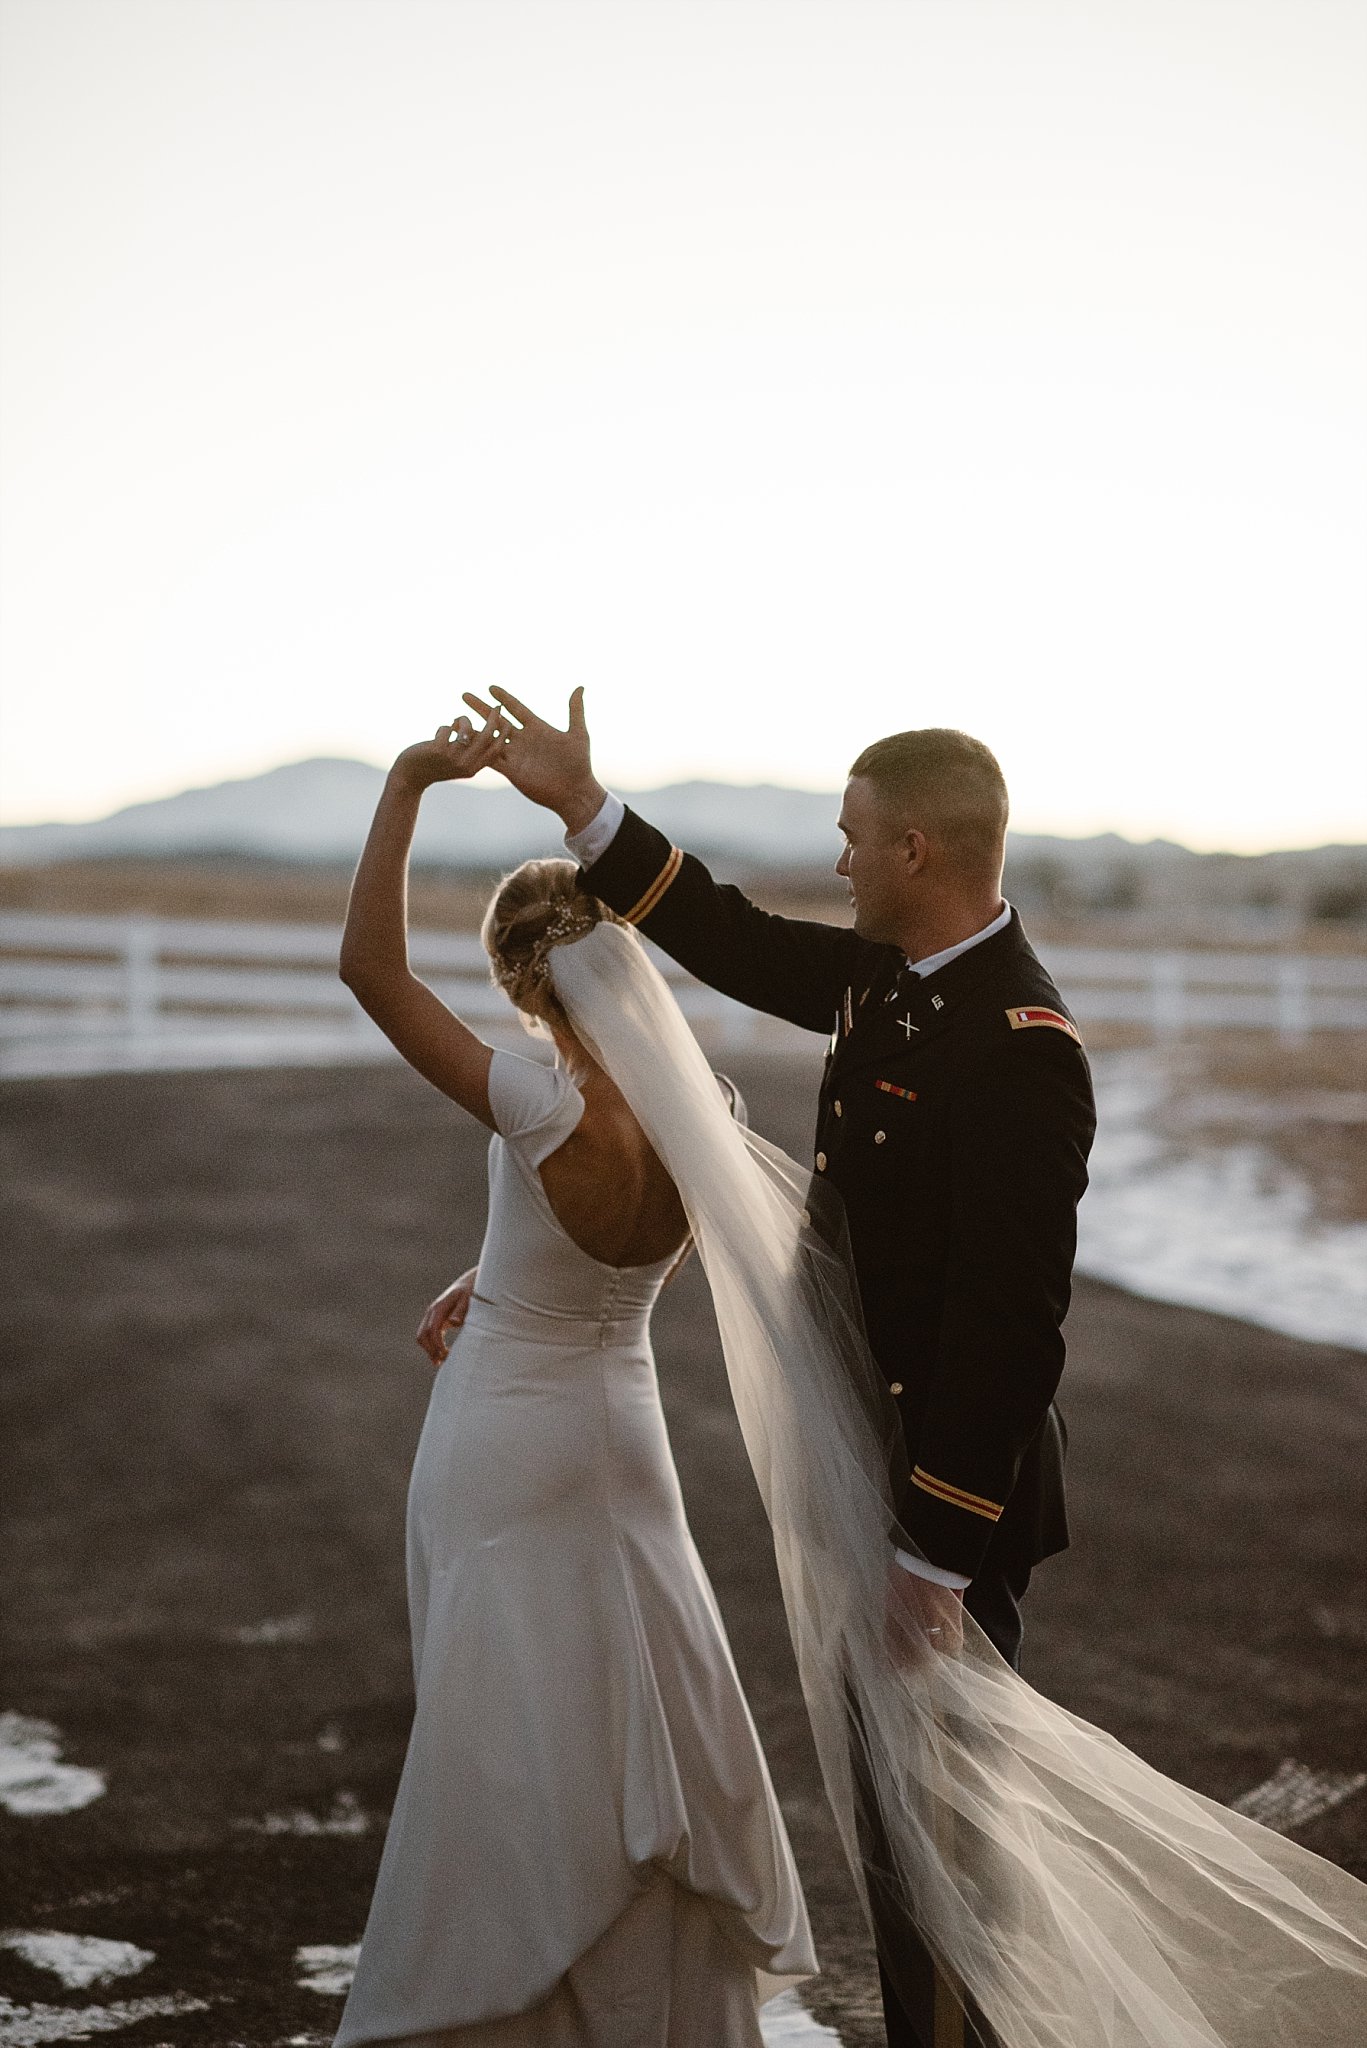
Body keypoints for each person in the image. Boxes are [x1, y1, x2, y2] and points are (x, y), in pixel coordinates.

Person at [453, 687, 1095, 2048]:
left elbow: (1011, 1323)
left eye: (857, 836)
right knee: (898, 1828)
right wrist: (583, 807)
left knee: (949, 1835)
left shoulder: (1021, 1048)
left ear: (917, 850)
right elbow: (727, 934)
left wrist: (935, 1557)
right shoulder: (891, 985)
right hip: (871, 1464)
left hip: (943, 1501)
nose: (843, 855)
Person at [331, 720, 815, 2048]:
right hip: (624, 1437)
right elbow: (605, 1259)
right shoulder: (690, 1108)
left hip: (504, 1440)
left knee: (506, 1730)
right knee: (633, 1718)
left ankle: (506, 1991)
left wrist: (408, 781)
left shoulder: (537, 1099)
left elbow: (368, 970)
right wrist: (494, 1270)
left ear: (516, 977)